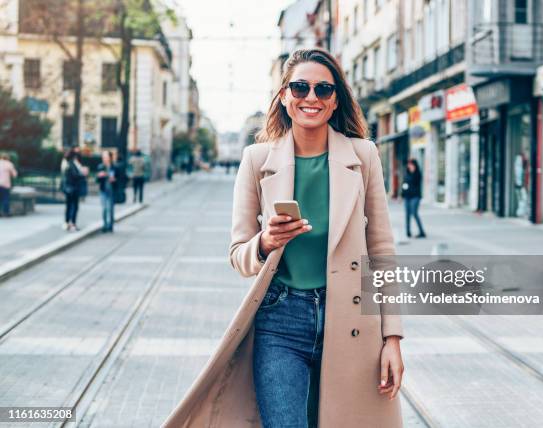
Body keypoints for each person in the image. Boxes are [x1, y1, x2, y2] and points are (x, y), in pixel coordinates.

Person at [162, 48, 405, 428]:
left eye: (324, 89)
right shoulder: (257, 160)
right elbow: (238, 254)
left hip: (353, 318)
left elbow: (382, 251)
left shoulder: (364, 155)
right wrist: (265, 242)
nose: (312, 97)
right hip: (280, 320)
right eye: (301, 87)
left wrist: (392, 337)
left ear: (336, 98)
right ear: (284, 96)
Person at [401, 158, 426, 238]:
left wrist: (413, 172)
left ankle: (422, 232)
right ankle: (408, 232)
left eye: (411, 164)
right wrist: (402, 195)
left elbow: (416, 182)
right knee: (407, 214)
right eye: (409, 164)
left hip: (415, 197)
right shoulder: (406, 173)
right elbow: (404, 184)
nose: (409, 166)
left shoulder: (417, 174)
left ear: (414, 165)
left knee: (414, 213)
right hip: (407, 197)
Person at [61, 148, 85, 231]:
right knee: (74, 206)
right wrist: (83, 174)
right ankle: (72, 223)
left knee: (69, 206)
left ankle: (67, 222)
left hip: (69, 188)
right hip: (73, 189)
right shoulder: (72, 164)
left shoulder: (67, 163)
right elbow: (75, 175)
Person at [96, 150, 117, 233]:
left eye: (106, 157)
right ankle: (105, 225)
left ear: (110, 157)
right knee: (104, 208)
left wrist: (115, 180)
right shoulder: (100, 167)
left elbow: (120, 179)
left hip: (111, 190)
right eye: (103, 157)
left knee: (110, 209)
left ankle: (110, 225)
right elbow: (96, 180)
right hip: (103, 190)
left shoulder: (114, 167)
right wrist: (99, 176)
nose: (104, 158)